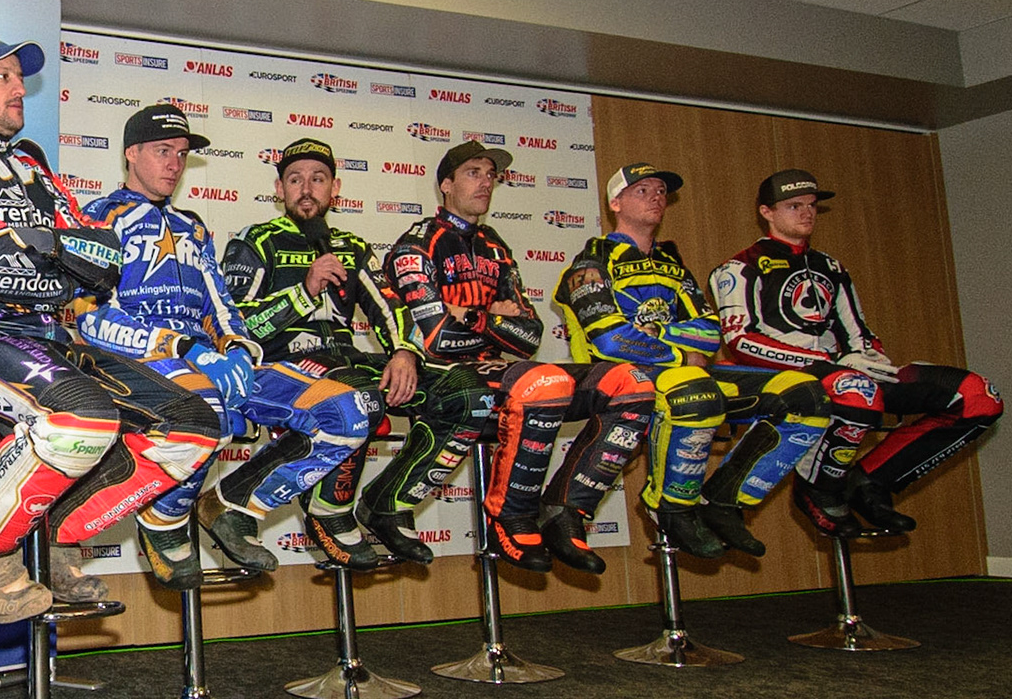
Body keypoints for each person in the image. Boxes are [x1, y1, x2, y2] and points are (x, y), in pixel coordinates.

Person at [0, 44, 221, 620]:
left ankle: (60, 533)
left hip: (53, 342)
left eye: (20, 77)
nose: (19, 88)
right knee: (80, 417)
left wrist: (51, 253)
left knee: (192, 427)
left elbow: (107, 259)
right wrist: (62, 263)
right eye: (2, 77)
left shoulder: (34, 168)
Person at [77, 114, 375, 585]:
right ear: (131, 153)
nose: (175, 164)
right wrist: (181, 346)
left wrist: (236, 348)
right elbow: (87, 316)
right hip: (137, 363)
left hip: (204, 361)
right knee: (210, 407)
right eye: (162, 150)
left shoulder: (192, 227)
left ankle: (233, 504)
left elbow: (223, 309)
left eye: (181, 153)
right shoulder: (98, 216)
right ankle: (166, 517)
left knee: (349, 412)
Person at [220, 137, 493, 568]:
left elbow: (392, 310)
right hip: (281, 367)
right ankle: (327, 511)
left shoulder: (352, 246)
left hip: (345, 359)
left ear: (335, 189)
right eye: (295, 180)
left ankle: (388, 502)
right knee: (359, 394)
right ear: (279, 190)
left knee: (470, 394)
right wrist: (304, 291)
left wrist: (404, 352)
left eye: (318, 179)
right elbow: (234, 328)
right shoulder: (256, 241)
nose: (306, 188)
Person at [386, 142, 654, 573]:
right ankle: (510, 515)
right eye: (474, 172)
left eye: (491, 174)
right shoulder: (416, 244)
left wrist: (469, 315)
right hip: (449, 379)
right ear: (446, 185)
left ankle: (566, 509)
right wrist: (491, 317)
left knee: (633, 381)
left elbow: (528, 335)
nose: (486, 181)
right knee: (543, 383)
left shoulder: (495, 246)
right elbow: (435, 337)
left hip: (509, 371)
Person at [554, 164, 830, 558]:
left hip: (686, 372)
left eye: (661, 191)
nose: (655, 197)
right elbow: (611, 340)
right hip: (620, 380)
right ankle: (672, 507)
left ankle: (725, 500)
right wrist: (682, 351)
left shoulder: (672, 266)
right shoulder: (592, 260)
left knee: (805, 395)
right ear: (615, 203)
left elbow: (709, 331)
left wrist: (657, 336)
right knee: (694, 391)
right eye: (642, 190)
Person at [710, 169, 1003, 535]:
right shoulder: (739, 267)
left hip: (845, 370)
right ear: (766, 212)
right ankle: (819, 488)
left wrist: (869, 358)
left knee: (979, 397)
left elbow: (857, 331)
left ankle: (870, 482)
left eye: (812, 206)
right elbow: (741, 341)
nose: (806, 213)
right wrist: (823, 365)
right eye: (794, 205)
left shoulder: (831, 267)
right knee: (856, 391)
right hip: (786, 377)